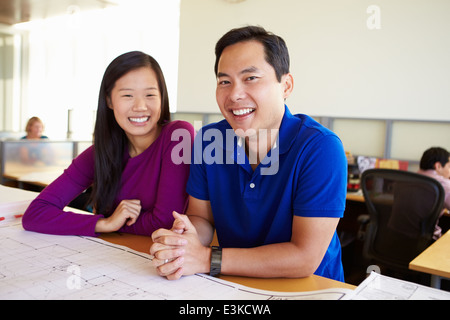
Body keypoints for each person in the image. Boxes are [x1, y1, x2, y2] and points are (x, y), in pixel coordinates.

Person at [150, 26, 347, 281]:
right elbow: (201, 218)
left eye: (250, 78)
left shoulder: (320, 148)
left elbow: (304, 258)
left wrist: (207, 259)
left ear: (286, 85)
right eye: (224, 81)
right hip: (234, 281)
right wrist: (184, 241)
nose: (234, 94)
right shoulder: (210, 141)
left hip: (308, 289)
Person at [22, 51, 195, 236]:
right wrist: (106, 223)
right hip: (120, 253)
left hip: (163, 257)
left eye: (150, 95)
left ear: (162, 98)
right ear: (109, 100)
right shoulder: (100, 153)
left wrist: (116, 224)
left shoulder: (179, 136)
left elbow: (166, 222)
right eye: (127, 95)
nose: (140, 106)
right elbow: (35, 214)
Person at [417, 147, 450, 239]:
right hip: (427, 242)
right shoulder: (443, 184)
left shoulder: (407, 180)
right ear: (438, 166)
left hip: (397, 239)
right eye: (449, 166)